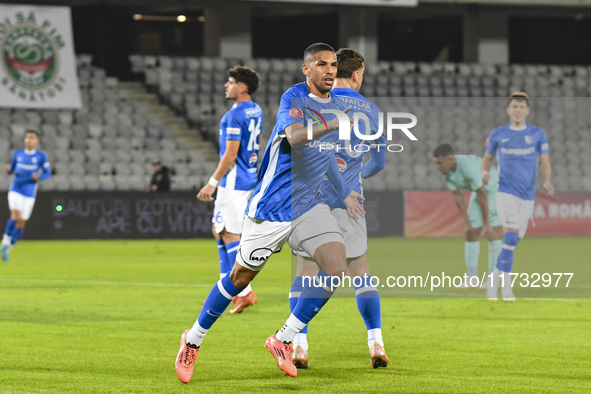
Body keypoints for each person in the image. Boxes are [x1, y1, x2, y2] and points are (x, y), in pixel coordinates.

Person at [175, 43, 365, 382]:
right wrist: (334, 124)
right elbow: (294, 138)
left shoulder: (337, 105)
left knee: (337, 267)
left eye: (333, 64)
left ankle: (283, 339)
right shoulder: (294, 99)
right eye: (321, 64)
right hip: (273, 205)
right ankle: (192, 340)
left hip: (308, 205)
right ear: (306, 69)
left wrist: (344, 192)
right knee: (239, 279)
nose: (330, 70)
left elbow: (325, 159)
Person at [289, 48, 389, 369]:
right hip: (350, 200)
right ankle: (376, 343)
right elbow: (380, 160)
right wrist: (355, 177)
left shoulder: (315, 100)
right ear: (357, 75)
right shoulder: (370, 110)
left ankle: (299, 345)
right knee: (360, 270)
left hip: (312, 197)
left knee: (305, 270)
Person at [196, 66, 263, 314]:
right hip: (247, 178)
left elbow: (231, 153)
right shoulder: (256, 110)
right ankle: (224, 289)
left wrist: (212, 182)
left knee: (230, 234)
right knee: (219, 231)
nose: (227, 85)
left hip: (233, 183)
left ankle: (244, 292)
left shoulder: (234, 116)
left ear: (242, 88)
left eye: (231, 81)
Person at [482, 92, 554, 301]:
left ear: (527, 111)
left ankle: (492, 279)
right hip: (505, 191)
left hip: (527, 195)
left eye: (521, 107)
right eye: (514, 107)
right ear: (508, 110)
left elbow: (545, 161)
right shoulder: (498, 134)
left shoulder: (537, 133)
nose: (517, 110)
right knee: (511, 237)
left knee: (512, 242)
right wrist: (484, 173)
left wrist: (547, 181)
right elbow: (487, 159)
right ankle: (506, 288)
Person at [432, 143, 502, 289]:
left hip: (495, 190)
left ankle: (493, 280)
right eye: (435, 163)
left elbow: (483, 194)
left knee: (493, 234)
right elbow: (458, 197)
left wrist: (486, 224)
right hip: (480, 193)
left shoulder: (467, 166)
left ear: (450, 160)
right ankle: (472, 280)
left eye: (440, 163)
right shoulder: (447, 173)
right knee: (470, 233)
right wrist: (467, 222)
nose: (438, 167)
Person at [2, 130, 51, 262]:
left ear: (37, 141)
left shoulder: (41, 156)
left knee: (21, 225)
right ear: (24, 140)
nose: (29, 140)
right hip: (16, 189)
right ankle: (5, 242)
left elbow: (48, 173)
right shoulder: (17, 154)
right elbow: (11, 169)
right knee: (15, 217)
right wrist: (8, 169)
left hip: (29, 193)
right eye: (27, 138)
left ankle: (8, 249)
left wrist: (39, 177)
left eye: (32, 137)